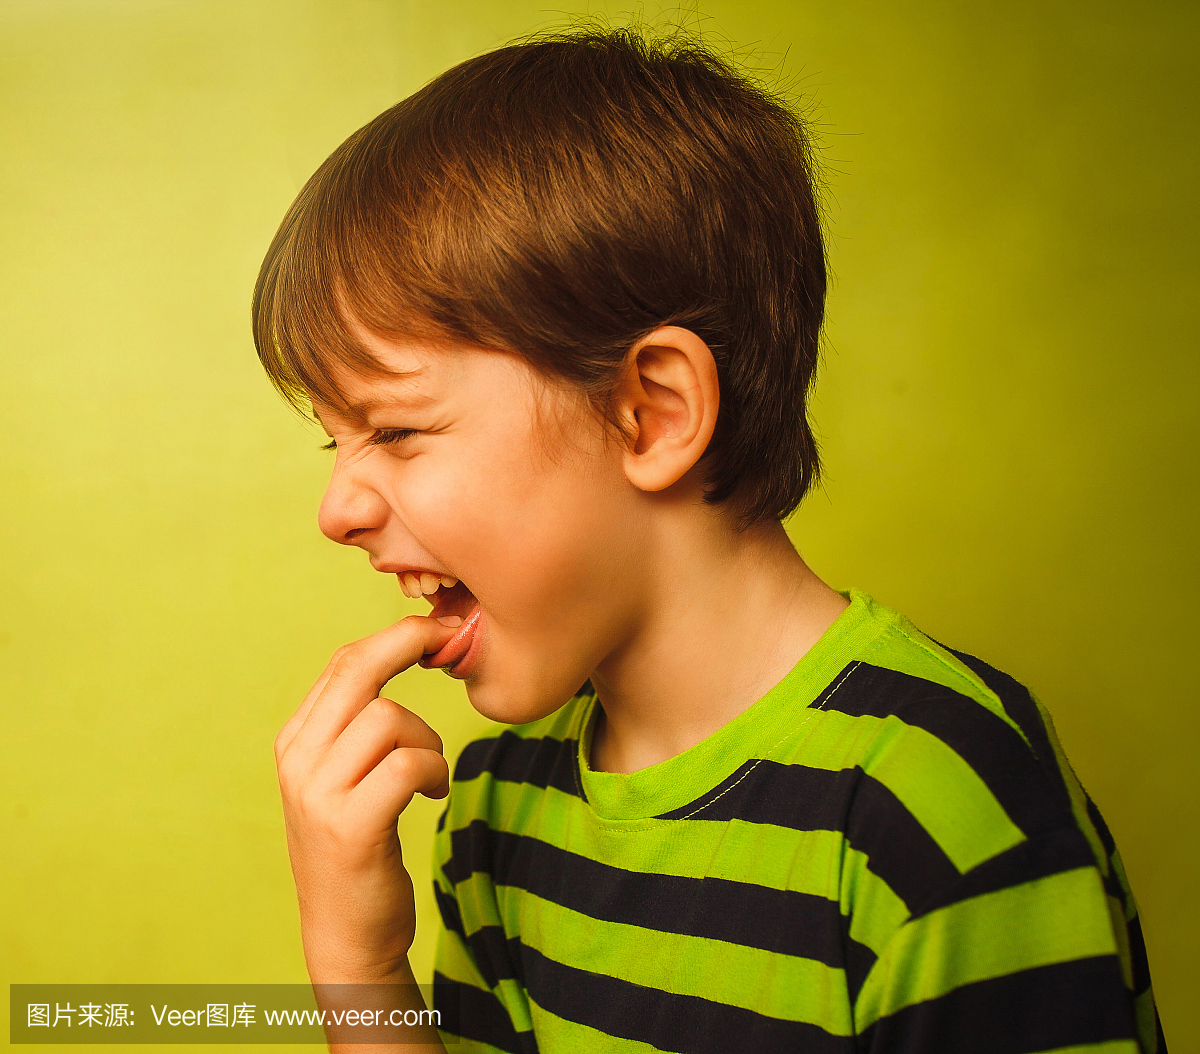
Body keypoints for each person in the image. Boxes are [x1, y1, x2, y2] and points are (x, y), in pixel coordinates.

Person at [253, 27, 1165, 1054]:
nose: (337, 510)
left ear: (651, 411)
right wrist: (359, 968)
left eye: (397, 429)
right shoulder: (498, 807)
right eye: (334, 443)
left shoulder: (935, 797)